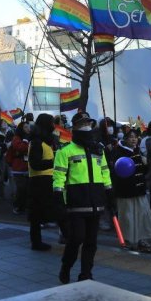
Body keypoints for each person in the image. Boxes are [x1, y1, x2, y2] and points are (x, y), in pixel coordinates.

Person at [54, 111, 113, 283]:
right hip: (76, 203)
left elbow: (105, 173)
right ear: (75, 128)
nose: (86, 127)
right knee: (76, 238)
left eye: (88, 123)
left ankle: (86, 274)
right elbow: (59, 177)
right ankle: (66, 267)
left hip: (95, 202)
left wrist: (109, 194)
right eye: (82, 124)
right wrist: (58, 199)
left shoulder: (98, 150)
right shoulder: (65, 151)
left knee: (91, 242)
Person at [111, 129, 151, 252]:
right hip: (125, 192)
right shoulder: (118, 152)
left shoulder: (137, 151)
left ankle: (142, 239)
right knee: (127, 216)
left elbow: (143, 171)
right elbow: (116, 173)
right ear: (125, 139)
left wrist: (145, 164)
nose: (133, 139)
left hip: (139, 190)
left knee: (143, 214)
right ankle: (126, 240)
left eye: (135, 137)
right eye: (130, 137)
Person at [27, 114, 55, 251]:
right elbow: (35, 164)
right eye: (51, 123)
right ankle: (36, 242)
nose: (53, 126)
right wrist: (53, 163)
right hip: (39, 182)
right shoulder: (37, 142)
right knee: (37, 215)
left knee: (46, 212)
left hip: (47, 180)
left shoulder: (46, 141)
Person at [6, 121, 31, 215]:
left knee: (27, 188)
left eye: (29, 127)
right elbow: (21, 148)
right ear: (21, 129)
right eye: (25, 127)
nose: (28, 129)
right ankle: (17, 206)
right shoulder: (16, 138)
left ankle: (23, 206)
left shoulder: (30, 137)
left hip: (28, 167)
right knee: (21, 188)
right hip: (18, 167)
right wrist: (25, 141)